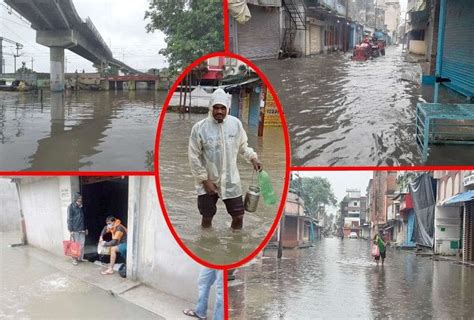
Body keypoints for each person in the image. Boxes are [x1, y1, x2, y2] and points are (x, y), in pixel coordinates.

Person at [188, 88, 262, 230]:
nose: (219, 111)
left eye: (223, 108)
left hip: (231, 180)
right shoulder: (199, 128)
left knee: (238, 217)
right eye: (216, 108)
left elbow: (242, 146)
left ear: (227, 108)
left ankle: (234, 246)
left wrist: (253, 158)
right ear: (211, 108)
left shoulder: (235, 124)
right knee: (207, 217)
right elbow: (194, 157)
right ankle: (207, 245)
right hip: (208, 181)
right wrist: (205, 180)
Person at [67, 192, 87, 265]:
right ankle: (74, 259)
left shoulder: (81, 206)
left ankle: (80, 258)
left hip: (82, 229)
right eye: (79, 198)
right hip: (75, 229)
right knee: (75, 245)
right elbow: (69, 219)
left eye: (81, 198)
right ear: (75, 198)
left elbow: (84, 218)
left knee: (82, 244)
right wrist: (70, 230)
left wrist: (86, 228)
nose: (80, 199)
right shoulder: (71, 206)